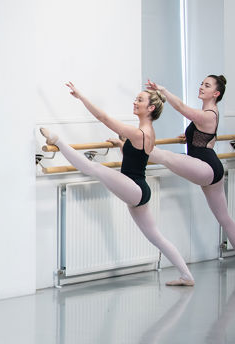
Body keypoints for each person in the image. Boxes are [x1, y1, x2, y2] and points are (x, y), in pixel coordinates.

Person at [40, 82, 195, 286]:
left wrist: (81, 96)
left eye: (139, 100)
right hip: (137, 188)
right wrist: (123, 145)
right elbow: (136, 158)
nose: (135, 102)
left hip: (135, 188)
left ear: (150, 108)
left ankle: (57, 140)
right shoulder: (144, 133)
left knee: (95, 168)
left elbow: (103, 118)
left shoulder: (141, 133)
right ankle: (187, 276)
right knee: (156, 237)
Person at [145, 75, 235, 270]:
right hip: (209, 168)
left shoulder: (209, 115)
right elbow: (209, 139)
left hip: (207, 167)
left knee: (167, 157)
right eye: (202, 84)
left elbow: (181, 108)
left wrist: (163, 90)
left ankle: (132, 148)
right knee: (225, 218)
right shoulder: (211, 114)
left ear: (216, 93)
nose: (201, 87)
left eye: (207, 85)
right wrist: (189, 136)